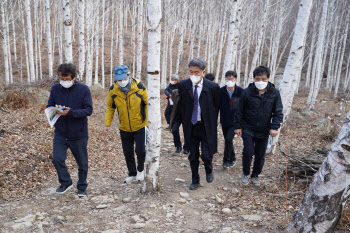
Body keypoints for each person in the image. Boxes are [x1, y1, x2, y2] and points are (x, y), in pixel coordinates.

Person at [47, 63, 93, 197]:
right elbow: (49, 105)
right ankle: (66, 182)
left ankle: (82, 186)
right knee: (57, 159)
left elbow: (88, 110)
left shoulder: (84, 89)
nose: (64, 81)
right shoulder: (55, 89)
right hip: (60, 132)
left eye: (67, 79)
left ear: (74, 77)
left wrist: (71, 112)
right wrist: (55, 109)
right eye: (62, 78)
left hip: (78, 133)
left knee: (82, 163)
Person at [233, 66, 283, 186]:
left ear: (268, 78)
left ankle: (255, 175)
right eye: (258, 79)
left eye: (263, 79)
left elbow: (278, 111)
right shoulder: (247, 92)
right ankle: (245, 173)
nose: (261, 82)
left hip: (264, 129)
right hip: (248, 128)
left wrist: (274, 127)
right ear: (254, 79)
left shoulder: (274, 93)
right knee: (248, 152)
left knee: (260, 154)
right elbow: (239, 110)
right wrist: (237, 126)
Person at [178, 58, 220, 190]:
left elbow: (216, 106)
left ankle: (209, 169)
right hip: (191, 126)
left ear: (203, 72)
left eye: (197, 72)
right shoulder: (183, 85)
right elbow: (182, 105)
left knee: (206, 155)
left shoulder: (212, 87)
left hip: (206, 126)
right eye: (191, 72)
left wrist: (212, 121)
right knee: (193, 155)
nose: (193, 75)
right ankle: (195, 180)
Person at [104, 65, 148, 184]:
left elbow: (147, 104)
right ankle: (132, 173)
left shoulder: (139, 87)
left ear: (129, 75)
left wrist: (147, 122)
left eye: (123, 78)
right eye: (119, 79)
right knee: (127, 152)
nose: (121, 82)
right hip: (124, 126)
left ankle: (140, 170)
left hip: (140, 125)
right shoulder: (113, 89)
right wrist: (107, 123)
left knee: (140, 150)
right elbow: (110, 107)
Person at [219, 70, 243, 169]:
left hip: (235, 121)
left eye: (232, 79)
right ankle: (233, 158)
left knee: (228, 139)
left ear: (236, 80)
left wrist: (241, 124)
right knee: (228, 140)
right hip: (224, 121)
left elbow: (244, 108)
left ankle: (226, 160)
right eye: (228, 79)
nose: (230, 80)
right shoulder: (221, 91)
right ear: (225, 79)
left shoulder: (241, 92)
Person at [169, 89, 189, 154]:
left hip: (186, 116)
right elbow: (171, 102)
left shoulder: (190, 92)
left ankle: (186, 147)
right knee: (174, 130)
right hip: (177, 116)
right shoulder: (175, 92)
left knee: (187, 132)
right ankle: (178, 146)